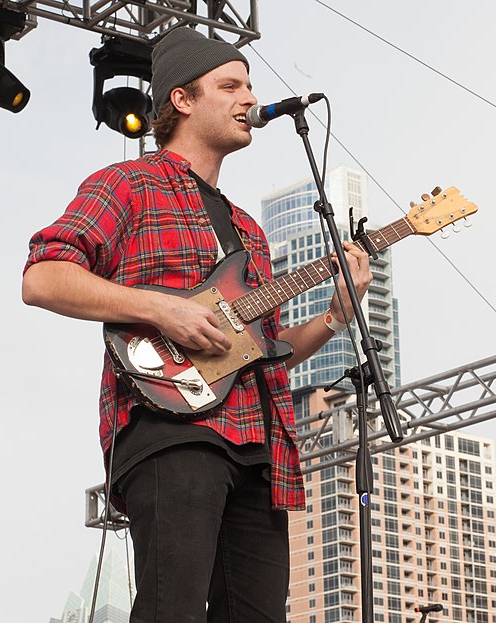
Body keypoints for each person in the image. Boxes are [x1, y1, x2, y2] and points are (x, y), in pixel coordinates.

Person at [22, 27, 372, 623]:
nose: (249, 99)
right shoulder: (128, 183)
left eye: (250, 85)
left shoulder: (248, 231)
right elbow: (44, 278)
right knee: (171, 610)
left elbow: (266, 352)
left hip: (261, 449)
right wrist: (163, 308)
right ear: (181, 99)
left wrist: (337, 315)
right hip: (171, 428)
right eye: (230, 85)